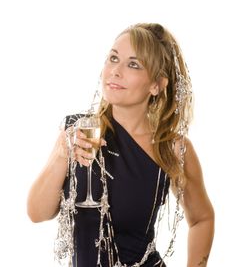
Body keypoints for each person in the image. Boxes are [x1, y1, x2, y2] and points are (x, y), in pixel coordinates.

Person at [27, 23, 215, 267]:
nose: (115, 71)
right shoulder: (76, 132)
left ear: (156, 84)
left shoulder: (174, 149)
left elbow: (202, 218)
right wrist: (62, 155)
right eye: (113, 58)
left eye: (133, 64)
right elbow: (37, 213)